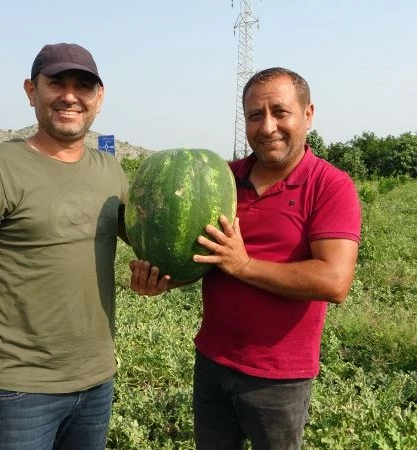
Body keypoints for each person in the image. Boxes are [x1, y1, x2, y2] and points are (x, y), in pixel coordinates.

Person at [130, 67, 361, 450]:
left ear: (308, 114)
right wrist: (163, 280)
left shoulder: (331, 186)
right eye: (255, 115)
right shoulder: (222, 179)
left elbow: (333, 281)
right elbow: (207, 258)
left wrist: (245, 264)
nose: (267, 126)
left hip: (278, 379)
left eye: (279, 112)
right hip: (213, 362)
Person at [0, 42, 129, 450]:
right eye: (57, 83)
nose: (70, 95)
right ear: (32, 91)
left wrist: (156, 275)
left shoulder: (112, 171)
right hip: (20, 388)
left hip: (97, 380)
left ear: (98, 99)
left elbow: (146, 245)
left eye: (83, 86)